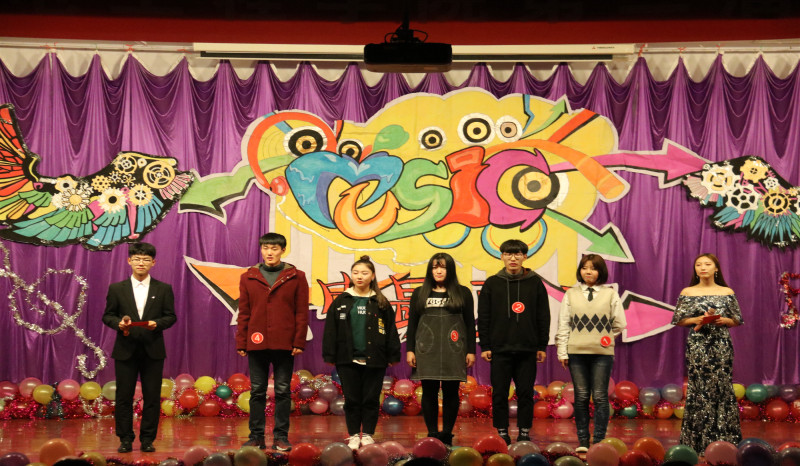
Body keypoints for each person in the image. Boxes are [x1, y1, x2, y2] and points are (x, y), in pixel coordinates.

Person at [236, 233, 309, 452]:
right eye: (266, 248)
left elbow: (301, 312)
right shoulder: (248, 277)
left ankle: (281, 437)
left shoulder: (296, 277)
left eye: (274, 248)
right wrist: (242, 341)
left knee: (283, 391)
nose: (270, 252)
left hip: (284, 343)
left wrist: (298, 341)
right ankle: (256, 437)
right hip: (256, 342)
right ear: (261, 250)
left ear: (283, 250)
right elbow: (244, 312)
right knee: (257, 391)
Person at [102, 242, 176, 453]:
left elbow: (170, 316)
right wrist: (118, 324)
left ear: (153, 262)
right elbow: (108, 315)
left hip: (153, 350)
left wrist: (157, 324)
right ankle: (125, 439)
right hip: (125, 350)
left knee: (152, 397)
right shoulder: (117, 288)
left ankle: (147, 439)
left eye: (145, 259)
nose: (141, 263)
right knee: (123, 397)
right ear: (129, 261)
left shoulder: (163, 289)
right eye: (136, 259)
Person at [322, 255, 401, 450]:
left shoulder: (380, 302)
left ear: (372, 276)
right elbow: (331, 329)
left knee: (371, 399)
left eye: (364, 273)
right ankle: (353, 435)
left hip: (375, 359)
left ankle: (367, 434)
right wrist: (330, 354)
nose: (359, 276)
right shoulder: (342, 300)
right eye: (356, 272)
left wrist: (393, 354)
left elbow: (391, 329)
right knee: (352, 400)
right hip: (347, 359)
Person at [477, 239, 551, 445]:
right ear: (501, 256)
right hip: (499, 349)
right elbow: (484, 316)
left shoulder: (535, 283)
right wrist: (485, 345)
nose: (513, 258)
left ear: (524, 257)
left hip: (527, 349)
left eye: (518, 254)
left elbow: (543, 316)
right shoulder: (492, 283)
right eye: (508, 254)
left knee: (525, 393)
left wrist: (541, 346)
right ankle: (502, 431)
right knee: (499, 393)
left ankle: (524, 431)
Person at [671, 253, 743, 452]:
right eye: (698, 265)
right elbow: (678, 319)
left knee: (722, 387)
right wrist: (696, 320)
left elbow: (737, 319)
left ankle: (725, 441)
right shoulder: (688, 291)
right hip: (697, 345)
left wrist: (725, 320)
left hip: (721, 345)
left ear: (716, 268)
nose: (703, 267)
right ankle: (696, 442)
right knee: (699, 388)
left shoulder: (726, 291)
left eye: (707, 264)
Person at [555, 254, 626, 453]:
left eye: (593, 268)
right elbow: (564, 324)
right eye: (585, 268)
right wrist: (562, 352)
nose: (588, 272)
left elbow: (620, 323)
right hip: (576, 352)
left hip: (602, 353)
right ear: (580, 271)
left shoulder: (610, 294)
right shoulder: (571, 294)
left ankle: (599, 440)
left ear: (600, 272)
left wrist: (604, 337)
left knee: (601, 396)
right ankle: (583, 441)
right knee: (581, 396)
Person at [406, 252, 476, 446]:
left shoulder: (463, 293)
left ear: (450, 270)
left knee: (451, 392)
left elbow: (470, 324)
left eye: (443, 267)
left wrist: (471, 350)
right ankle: (432, 433)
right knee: (429, 392)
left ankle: (446, 433)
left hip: (454, 349)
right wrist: (410, 349)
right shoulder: (420, 293)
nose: (438, 271)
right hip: (426, 349)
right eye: (435, 267)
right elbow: (412, 324)